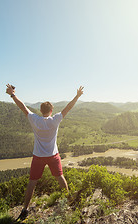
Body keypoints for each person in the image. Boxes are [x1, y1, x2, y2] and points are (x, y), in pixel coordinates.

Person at [5, 84, 84, 221]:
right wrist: (77, 96)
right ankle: (68, 199)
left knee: (32, 182)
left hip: (38, 156)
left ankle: (25, 209)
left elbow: (22, 107)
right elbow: (68, 108)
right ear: (51, 110)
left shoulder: (35, 119)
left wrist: (12, 94)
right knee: (60, 177)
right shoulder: (55, 120)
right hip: (53, 156)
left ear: (41, 111)